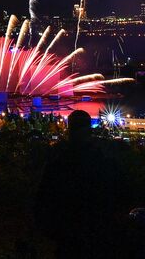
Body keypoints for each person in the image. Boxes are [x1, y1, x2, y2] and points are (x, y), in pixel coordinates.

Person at [35, 110, 118, 258]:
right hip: (94, 228)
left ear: (69, 130)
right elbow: (114, 191)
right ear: (89, 130)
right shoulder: (102, 158)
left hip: (66, 228)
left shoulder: (58, 158)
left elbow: (43, 194)